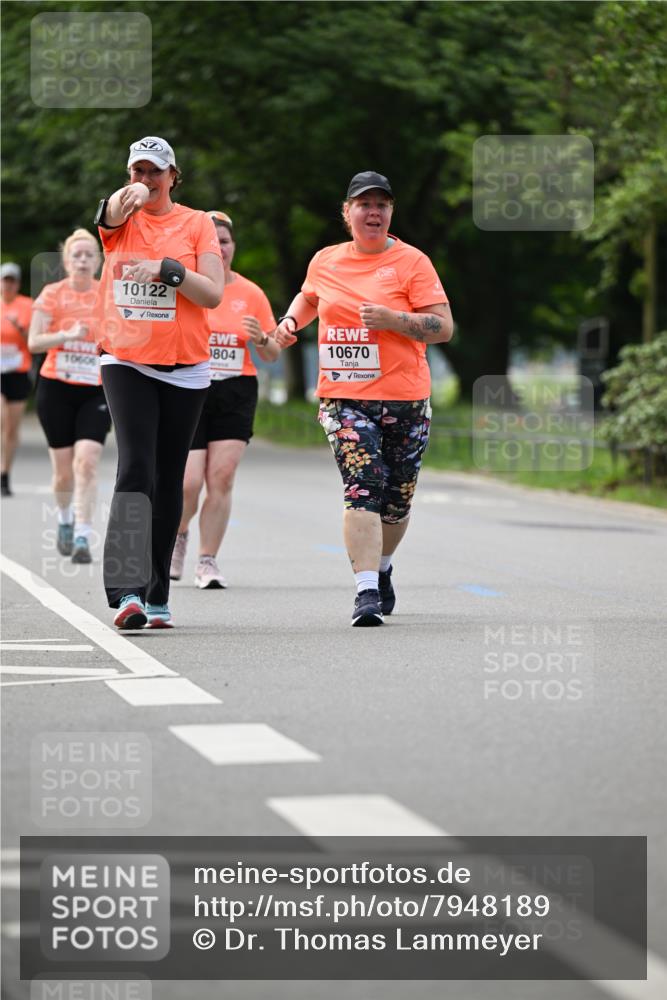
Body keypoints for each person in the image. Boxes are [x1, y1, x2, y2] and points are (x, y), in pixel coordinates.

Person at [275, 171, 454, 627]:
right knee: (364, 484)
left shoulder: (413, 263)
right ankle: (366, 592)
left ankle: (383, 566)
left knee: (397, 500)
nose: (373, 212)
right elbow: (308, 297)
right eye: (364, 204)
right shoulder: (326, 260)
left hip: (405, 398)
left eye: (382, 205)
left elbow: (443, 327)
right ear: (347, 212)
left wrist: (395, 319)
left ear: (390, 212)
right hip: (344, 398)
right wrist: (290, 324)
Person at [95, 135, 224, 629]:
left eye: (155, 172)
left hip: (186, 366)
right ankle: (126, 590)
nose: (145, 181)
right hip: (125, 360)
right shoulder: (121, 217)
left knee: (169, 479)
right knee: (135, 468)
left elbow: (211, 294)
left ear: (173, 176)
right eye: (137, 171)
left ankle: (156, 594)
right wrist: (116, 201)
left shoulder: (197, 224)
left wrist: (170, 272)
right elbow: (104, 217)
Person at [170, 211, 281, 588]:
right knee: (187, 482)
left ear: (234, 247)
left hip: (236, 389)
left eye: (226, 241)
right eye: (212, 241)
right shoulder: (188, 287)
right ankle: (179, 535)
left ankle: (207, 561)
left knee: (222, 476)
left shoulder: (251, 293)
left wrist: (263, 339)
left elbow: (273, 352)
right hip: (192, 385)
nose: (220, 247)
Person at [28, 230, 111, 563]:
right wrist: (67, 335)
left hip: (96, 388)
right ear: (65, 261)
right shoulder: (52, 294)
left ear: (98, 261)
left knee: (87, 462)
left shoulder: (107, 294)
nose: (82, 260)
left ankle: (82, 536)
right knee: (63, 472)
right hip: (56, 387)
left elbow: (123, 335)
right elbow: (34, 342)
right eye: (76, 255)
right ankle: (64, 520)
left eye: (89, 255)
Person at [1, 262, 33, 497]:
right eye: (5, 280)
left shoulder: (27, 306)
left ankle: (5, 473)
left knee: (12, 428)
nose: (8, 284)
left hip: (19, 371)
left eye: (12, 280)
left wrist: (20, 328)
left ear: (18, 284)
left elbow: (34, 340)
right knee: (1, 420)